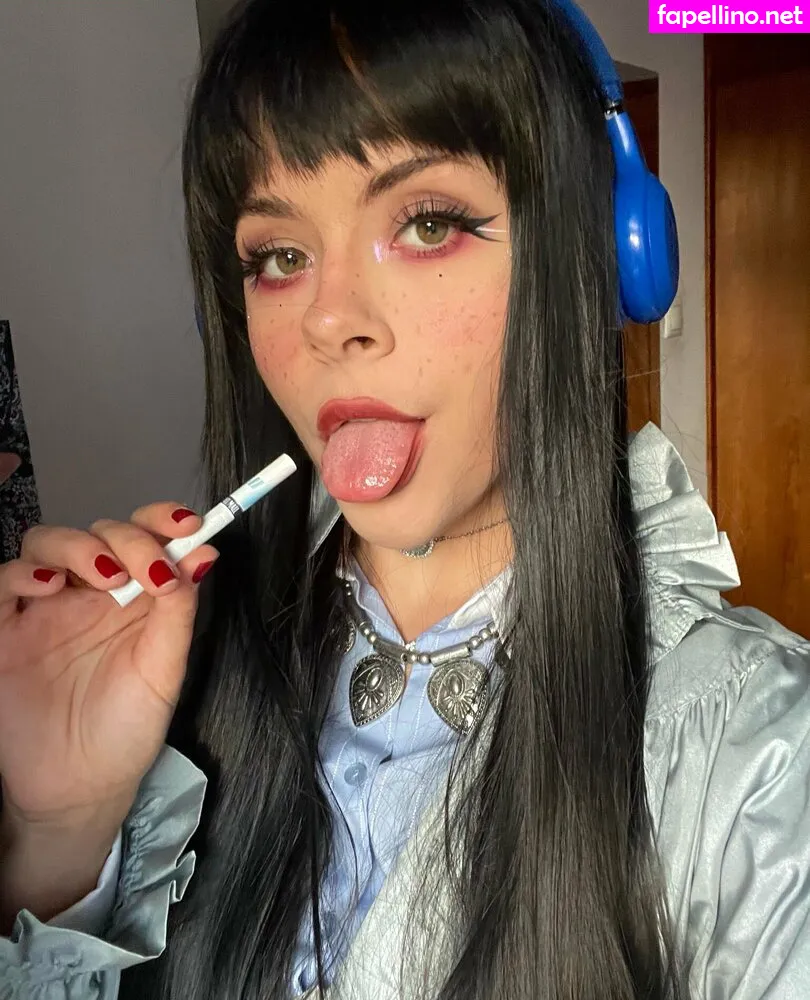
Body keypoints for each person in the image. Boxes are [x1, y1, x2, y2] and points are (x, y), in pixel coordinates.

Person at [1, 1, 808, 998]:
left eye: (427, 224)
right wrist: (62, 838)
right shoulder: (172, 677)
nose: (328, 319)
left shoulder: (759, 756)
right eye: (280, 257)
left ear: (596, 253)